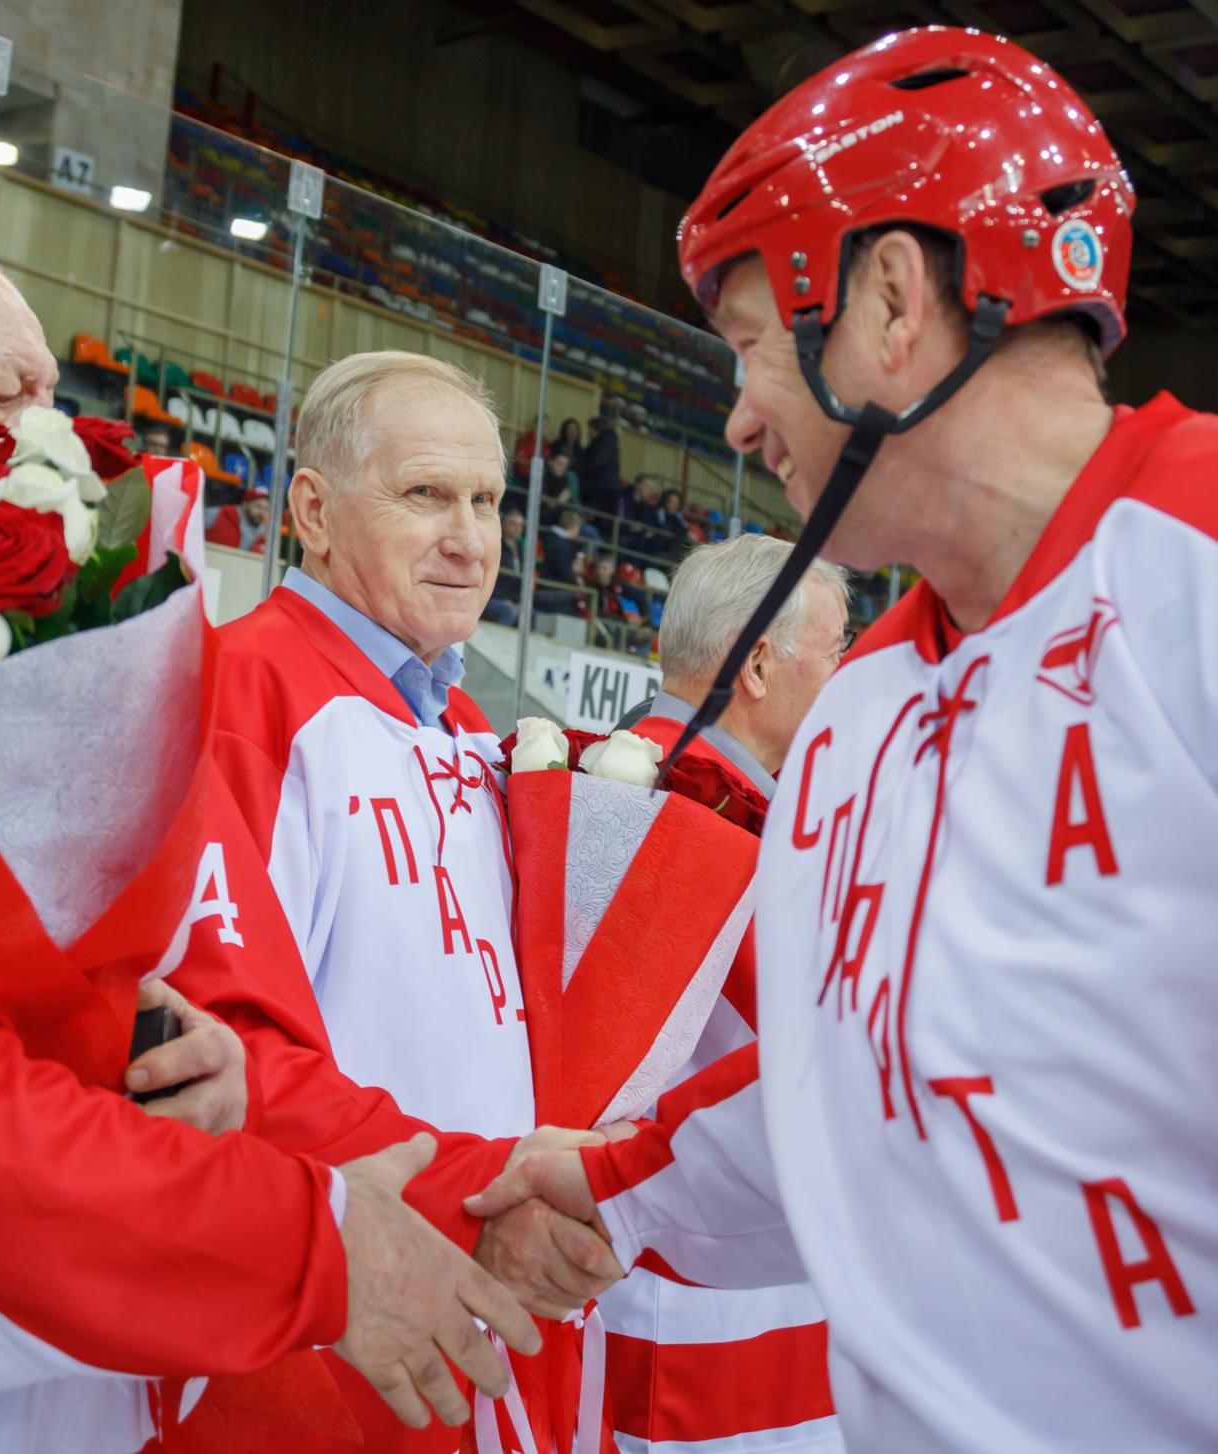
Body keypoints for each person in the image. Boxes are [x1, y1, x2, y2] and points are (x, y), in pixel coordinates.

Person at [467, 26, 1218, 1453]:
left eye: (748, 343)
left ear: (886, 298)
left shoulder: (1197, 565)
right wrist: (608, 1183)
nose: (740, 416)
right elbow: (849, 1080)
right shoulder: (856, 715)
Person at [0, 240, 541, 1452]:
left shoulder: (50, 673)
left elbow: (153, 1004)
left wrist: (183, 1062)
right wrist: (311, 1235)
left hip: (87, 1368)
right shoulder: (235, 689)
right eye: (3, 395)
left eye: (45, 398)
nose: (49, 436)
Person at [172, 351, 621, 1453]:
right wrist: (473, 1187)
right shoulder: (242, 691)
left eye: (487, 501)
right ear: (313, 511)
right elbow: (215, 1046)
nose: (469, 537)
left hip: (474, 1314)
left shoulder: (470, 727)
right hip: (330, 1331)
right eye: (425, 495)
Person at [596, 535, 848, 1451]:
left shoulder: (609, 773)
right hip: (698, 1292)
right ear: (759, 663)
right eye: (837, 645)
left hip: (662, 1257)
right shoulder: (694, 807)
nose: (848, 670)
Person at [481, 506, 525, 626]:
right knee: (507, 611)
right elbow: (489, 577)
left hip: (511, 600)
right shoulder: (495, 545)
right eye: (513, 524)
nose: (517, 528)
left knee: (531, 615)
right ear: (503, 524)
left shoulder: (522, 551)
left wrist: (520, 602)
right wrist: (506, 601)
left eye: (520, 525)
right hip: (491, 597)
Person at [578, 413, 621, 518]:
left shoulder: (605, 441)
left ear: (595, 429)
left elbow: (595, 461)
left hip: (601, 486)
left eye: (590, 429)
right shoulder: (608, 441)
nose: (588, 432)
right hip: (606, 485)